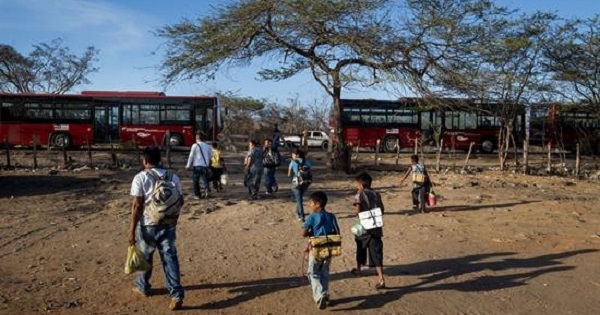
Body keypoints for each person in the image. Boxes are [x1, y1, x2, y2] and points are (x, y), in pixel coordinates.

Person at [128, 146, 184, 310]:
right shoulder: (173, 176)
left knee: (145, 257)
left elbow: (137, 206)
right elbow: (181, 201)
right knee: (170, 258)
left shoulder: (141, 177)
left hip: (148, 225)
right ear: (160, 160)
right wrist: (173, 220)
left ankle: (142, 286)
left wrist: (131, 229)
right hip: (168, 225)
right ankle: (176, 294)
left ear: (144, 161)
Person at [301, 191, 340, 310]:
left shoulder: (312, 216)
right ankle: (325, 294)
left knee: (312, 272)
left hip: (317, 246)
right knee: (324, 272)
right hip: (329, 246)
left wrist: (308, 232)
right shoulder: (331, 216)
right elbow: (337, 231)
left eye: (311, 203)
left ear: (317, 204)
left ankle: (320, 295)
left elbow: (303, 233)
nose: (310, 205)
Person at [352, 172, 386, 289]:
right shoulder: (377, 194)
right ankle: (381, 278)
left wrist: (357, 213)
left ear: (361, 184)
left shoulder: (359, 194)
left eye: (357, 184)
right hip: (376, 227)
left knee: (360, 247)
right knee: (377, 252)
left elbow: (357, 210)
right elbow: (382, 209)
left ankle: (358, 270)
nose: (357, 186)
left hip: (363, 227)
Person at [185, 132, 213, 199]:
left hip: (197, 165)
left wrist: (188, 165)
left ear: (197, 138)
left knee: (196, 181)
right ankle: (207, 189)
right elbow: (211, 156)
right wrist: (207, 161)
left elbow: (191, 156)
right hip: (205, 166)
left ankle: (198, 195)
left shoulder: (194, 145)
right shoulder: (207, 146)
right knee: (205, 179)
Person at [288, 148, 312, 221]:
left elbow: (289, 174)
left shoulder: (293, 162)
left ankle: (301, 216)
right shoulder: (306, 161)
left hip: (296, 183)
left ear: (297, 155)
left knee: (299, 200)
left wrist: (294, 175)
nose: (292, 155)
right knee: (300, 198)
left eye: (293, 154)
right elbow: (310, 170)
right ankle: (298, 212)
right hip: (305, 183)